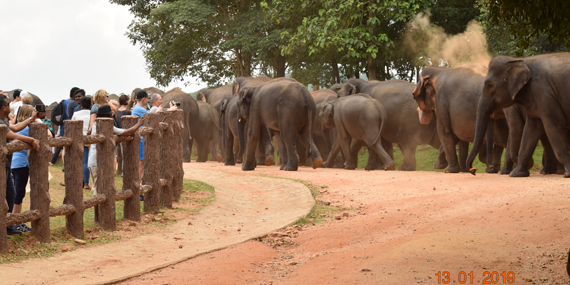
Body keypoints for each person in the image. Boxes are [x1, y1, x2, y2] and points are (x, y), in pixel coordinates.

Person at [0, 95, 40, 237]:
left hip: (6, 164)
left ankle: (9, 224)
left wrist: (31, 118)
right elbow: (13, 135)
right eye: (8, 104)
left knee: (11, 194)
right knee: (7, 194)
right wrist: (30, 139)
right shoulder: (1, 123)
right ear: (3, 108)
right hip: (2, 165)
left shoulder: (3, 122)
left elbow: (15, 128)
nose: (10, 106)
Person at [10, 105, 52, 232]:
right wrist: (38, 120)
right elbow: (49, 134)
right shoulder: (29, 127)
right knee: (19, 193)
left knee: (17, 192)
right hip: (22, 164)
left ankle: (17, 220)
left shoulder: (19, 126)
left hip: (14, 163)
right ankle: (14, 222)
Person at [87, 105, 144, 194]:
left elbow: (122, 132)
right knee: (100, 192)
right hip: (98, 163)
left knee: (99, 191)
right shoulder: (106, 125)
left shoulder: (96, 124)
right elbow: (126, 132)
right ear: (105, 116)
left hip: (94, 162)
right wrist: (139, 124)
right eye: (110, 115)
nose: (112, 117)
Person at [49, 87, 77, 166]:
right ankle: (67, 165)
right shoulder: (75, 103)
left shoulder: (64, 102)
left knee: (63, 146)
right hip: (73, 126)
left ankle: (65, 165)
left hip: (63, 126)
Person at [71, 96, 92, 190]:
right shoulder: (93, 114)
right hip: (90, 140)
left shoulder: (76, 114)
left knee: (78, 161)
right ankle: (86, 183)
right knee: (85, 161)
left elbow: (71, 126)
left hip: (77, 139)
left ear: (81, 105)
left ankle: (77, 180)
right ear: (91, 104)